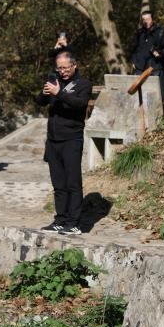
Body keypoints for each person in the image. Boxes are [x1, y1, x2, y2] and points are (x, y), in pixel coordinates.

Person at [36, 50, 92, 236]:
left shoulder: (83, 84)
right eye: (59, 68)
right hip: (53, 140)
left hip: (71, 139)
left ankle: (74, 222)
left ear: (74, 65)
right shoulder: (55, 81)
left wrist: (59, 92)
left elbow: (79, 104)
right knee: (58, 183)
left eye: (65, 68)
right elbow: (40, 102)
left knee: (72, 182)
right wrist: (45, 94)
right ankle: (60, 219)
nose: (62, 71)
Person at [130, 10, 164, 83]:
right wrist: (134, 61)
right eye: (143, 20)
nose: (145, 21)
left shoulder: (160, 32)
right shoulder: (139, 33)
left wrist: (158, 53)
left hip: (155, 69)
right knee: (141, 93)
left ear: (152, 19)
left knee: (157, 92)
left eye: (147, 19)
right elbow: (134, 49)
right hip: (140, 69)